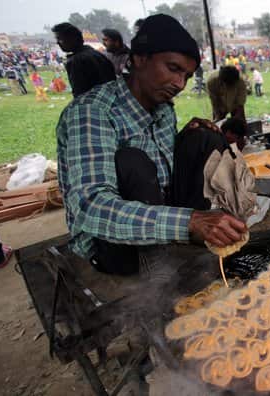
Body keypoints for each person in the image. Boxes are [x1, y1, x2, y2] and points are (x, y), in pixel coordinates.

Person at [56, 14, 247, 275]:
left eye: (187, 76)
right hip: (112, 245)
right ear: (140, 58)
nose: (180, 84)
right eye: (173, 68)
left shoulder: (163, 109)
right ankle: (160, 262)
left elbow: (161, 168)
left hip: (159, 214)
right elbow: (91, 207)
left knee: (205, 136)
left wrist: (186, 138)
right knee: (131, 161)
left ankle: (191, 238)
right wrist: (189, 220)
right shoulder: (92, 112)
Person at [52, 23, 116, 97]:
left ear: (72, 38)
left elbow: (80, 94)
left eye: (60, 39)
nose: (57, 42)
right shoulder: (97, 54)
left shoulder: (76, 61)